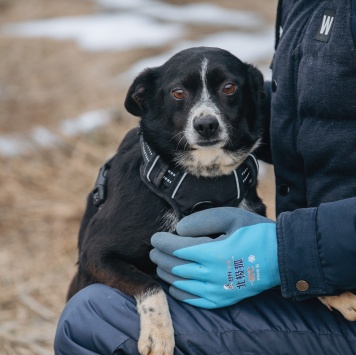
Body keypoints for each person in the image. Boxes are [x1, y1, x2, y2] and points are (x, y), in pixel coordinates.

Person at [54, 0, 356, 353]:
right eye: (180, 94)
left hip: (329, 281)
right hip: (328, 272)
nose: (205, 116)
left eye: (227, 89)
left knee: (91, 320)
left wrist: (288, 255)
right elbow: (317, 116)